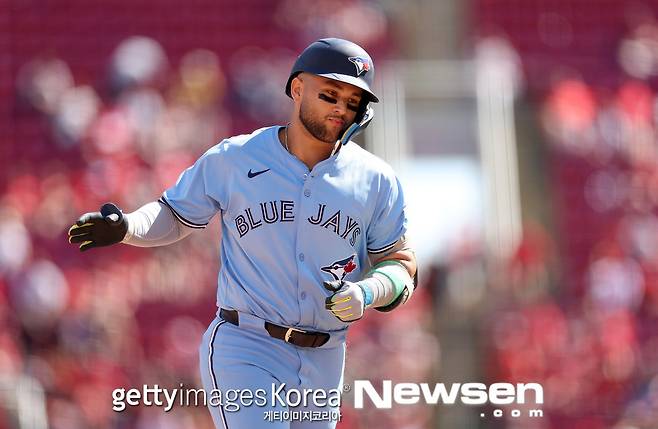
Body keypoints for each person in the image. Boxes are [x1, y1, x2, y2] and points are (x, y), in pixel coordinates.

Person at [68, 38, 417, 429]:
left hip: (326, 356)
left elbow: (401, 266)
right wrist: (128, 227)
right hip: (248, 344)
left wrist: (368, 292)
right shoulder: (236, 157)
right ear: (297, 88)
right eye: (329, 95)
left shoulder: (376, 180)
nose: (340, 108)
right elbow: (175, 214)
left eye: (352, 101)